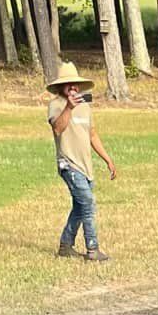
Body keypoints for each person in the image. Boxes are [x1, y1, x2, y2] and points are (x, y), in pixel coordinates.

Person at [47, 61, 116, 262]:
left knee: (79, 206)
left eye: (75, 85)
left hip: (86, 166)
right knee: (88, 202)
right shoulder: (56, 105)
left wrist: (108, 159)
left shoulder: (85, 107)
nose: (73, 88)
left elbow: (92, 135)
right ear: (61, 87)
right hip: (68, 164)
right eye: (68, 85)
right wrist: (69, 107)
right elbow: (57, 129)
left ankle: (65, 245)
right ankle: (92, 248)